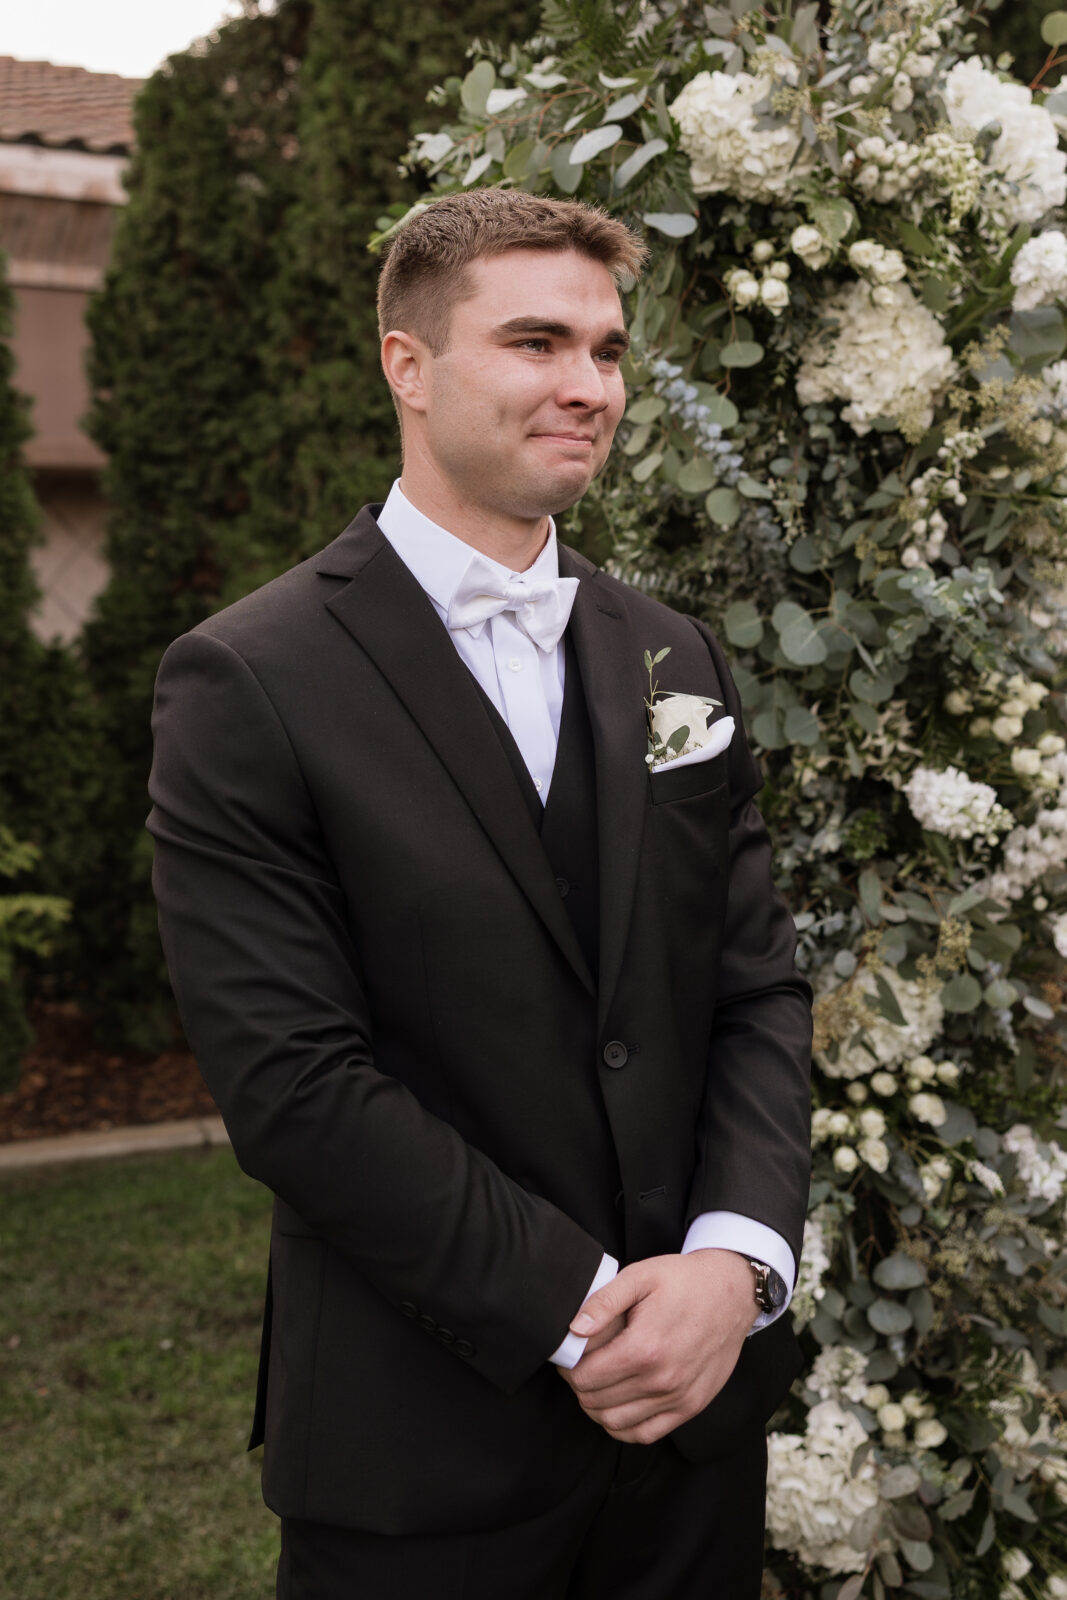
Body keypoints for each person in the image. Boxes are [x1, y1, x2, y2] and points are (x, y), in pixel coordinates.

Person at [147, 187, 812, 1600]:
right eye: (535, 341)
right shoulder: (248, 679)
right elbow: (294, 1084)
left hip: (695, 1444)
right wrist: (586, 1313)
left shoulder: (675, 657)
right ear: (409, 366)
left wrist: (734, 1271)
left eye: (609, 350)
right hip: (422, 1457)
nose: (589, 386)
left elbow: (753, 986)